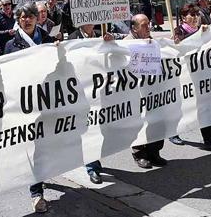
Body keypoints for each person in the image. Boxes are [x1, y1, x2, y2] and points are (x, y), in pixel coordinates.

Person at [4, 3, 55, 213]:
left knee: (45, 147)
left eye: (30, 17)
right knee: (33, 148)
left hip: (47, 102)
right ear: (18, 20)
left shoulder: (48, 41)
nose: (27, 20)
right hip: (24, 105)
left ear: (37, 18)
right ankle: (36, 193)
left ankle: (40, 180)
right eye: (23, 17)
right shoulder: (10, 45)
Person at [170, 4, 211, 154]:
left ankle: (210, 141)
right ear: (183, 18)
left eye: (196, 14)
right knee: (183, 106)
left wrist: (206, 34)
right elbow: (181, 47)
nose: (195, 17)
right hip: (186, 76)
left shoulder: (204, 29)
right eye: (191, 15)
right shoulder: (179, 31)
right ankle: (172, 132)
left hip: (202, 75)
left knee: (205, 107)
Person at [68, 23, 117, 183]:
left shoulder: (100, 35)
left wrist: (111, 43)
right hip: (83, 92)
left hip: (100, 91)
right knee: (90, 131)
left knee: (99, 130)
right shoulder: (73, 37)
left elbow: (113, 57)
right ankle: (92, 167)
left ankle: (91, 159)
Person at [124, 14, 168, 169]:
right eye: (143, 25)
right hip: (137, 92)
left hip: (154, 90)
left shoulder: (153, 42)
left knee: (157, 120)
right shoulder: (126, 44)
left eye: (149, 24)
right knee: (140, 122)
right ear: (134, 28)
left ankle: (154, 151)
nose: (148, 27)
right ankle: (140, 153)